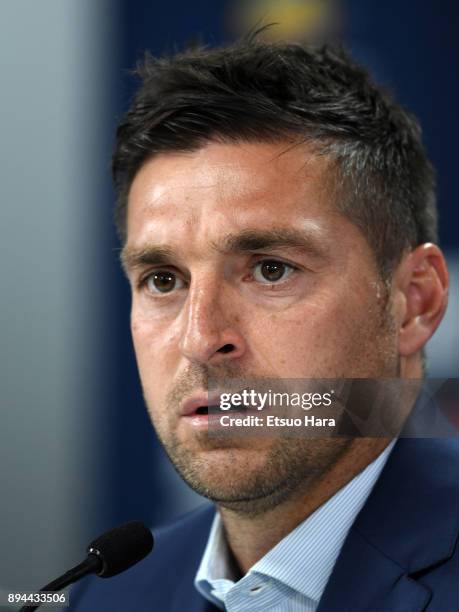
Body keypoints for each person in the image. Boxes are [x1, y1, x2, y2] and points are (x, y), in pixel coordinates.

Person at [70, 35, 459, 611]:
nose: (201, 340)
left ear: (414, 301)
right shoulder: (107, 597)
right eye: (163, 280)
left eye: (271, 270)